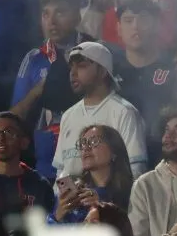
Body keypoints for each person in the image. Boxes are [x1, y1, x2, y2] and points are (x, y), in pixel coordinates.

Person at [10, 0, 85, 181]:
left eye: (60, 12)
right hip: (46, 163)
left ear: (78, 17)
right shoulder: (34, 58)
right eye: (45, 14)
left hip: (86, 159)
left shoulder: (93, 52)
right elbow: (15, 117)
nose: (51, 21)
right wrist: (38, 90)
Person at [52, 41, 147, 182]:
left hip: (111, 201)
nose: (73, 73)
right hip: (74, 202)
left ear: (103, 71)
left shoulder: (124, 112)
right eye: (71, 67)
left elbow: (136, 170)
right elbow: (61, 172)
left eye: (82, 66)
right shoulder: (68, 115)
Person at [106, 0, 177, 159]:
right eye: (128, 20)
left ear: (157, 26)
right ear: (118, 28)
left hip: (164, 157)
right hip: (117, 157)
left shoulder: (175, 69)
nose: (136, 27)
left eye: (143, 20)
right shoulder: (107, 70)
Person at [53, 124, 136, 219]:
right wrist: (58, 216)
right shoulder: (75, 193)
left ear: (114, 151)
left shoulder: (132, 192)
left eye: (94, 141)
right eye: (83, 143)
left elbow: (131, 228)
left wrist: (104, 206)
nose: (86, 148)